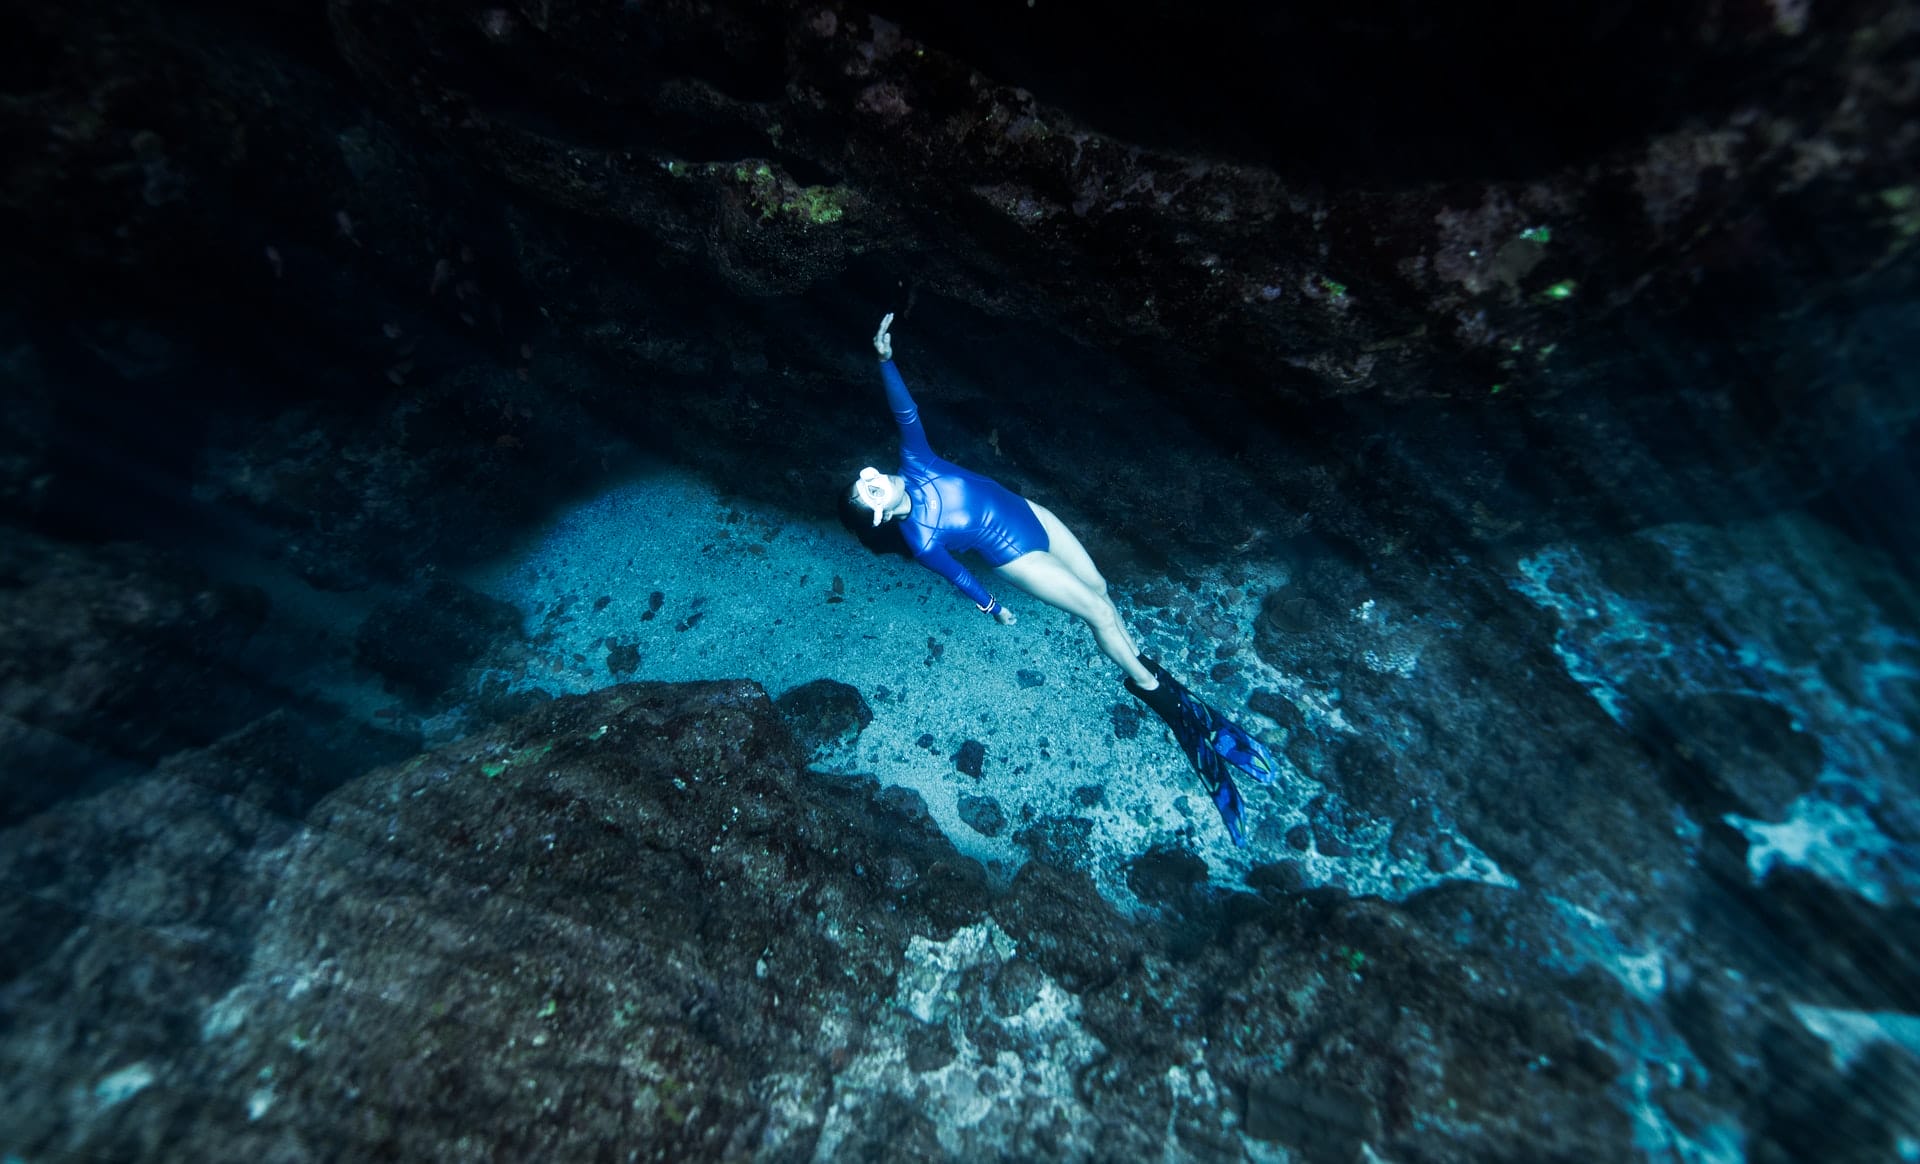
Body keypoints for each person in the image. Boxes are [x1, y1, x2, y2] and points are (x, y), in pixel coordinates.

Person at [847, 313, 1277, 845]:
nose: (877, 480)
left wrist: (886, 360)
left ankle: (1163, 685)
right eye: (870, 492)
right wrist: (992, 607)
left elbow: (905, 412)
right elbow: (958, 575)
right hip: (1013, 555)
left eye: (871, 477)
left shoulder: (916, 461)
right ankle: (1167, 703)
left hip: (1033, 513)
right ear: (879, 515)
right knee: (1097, 614)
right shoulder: (919, 538)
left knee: (1101, 590)